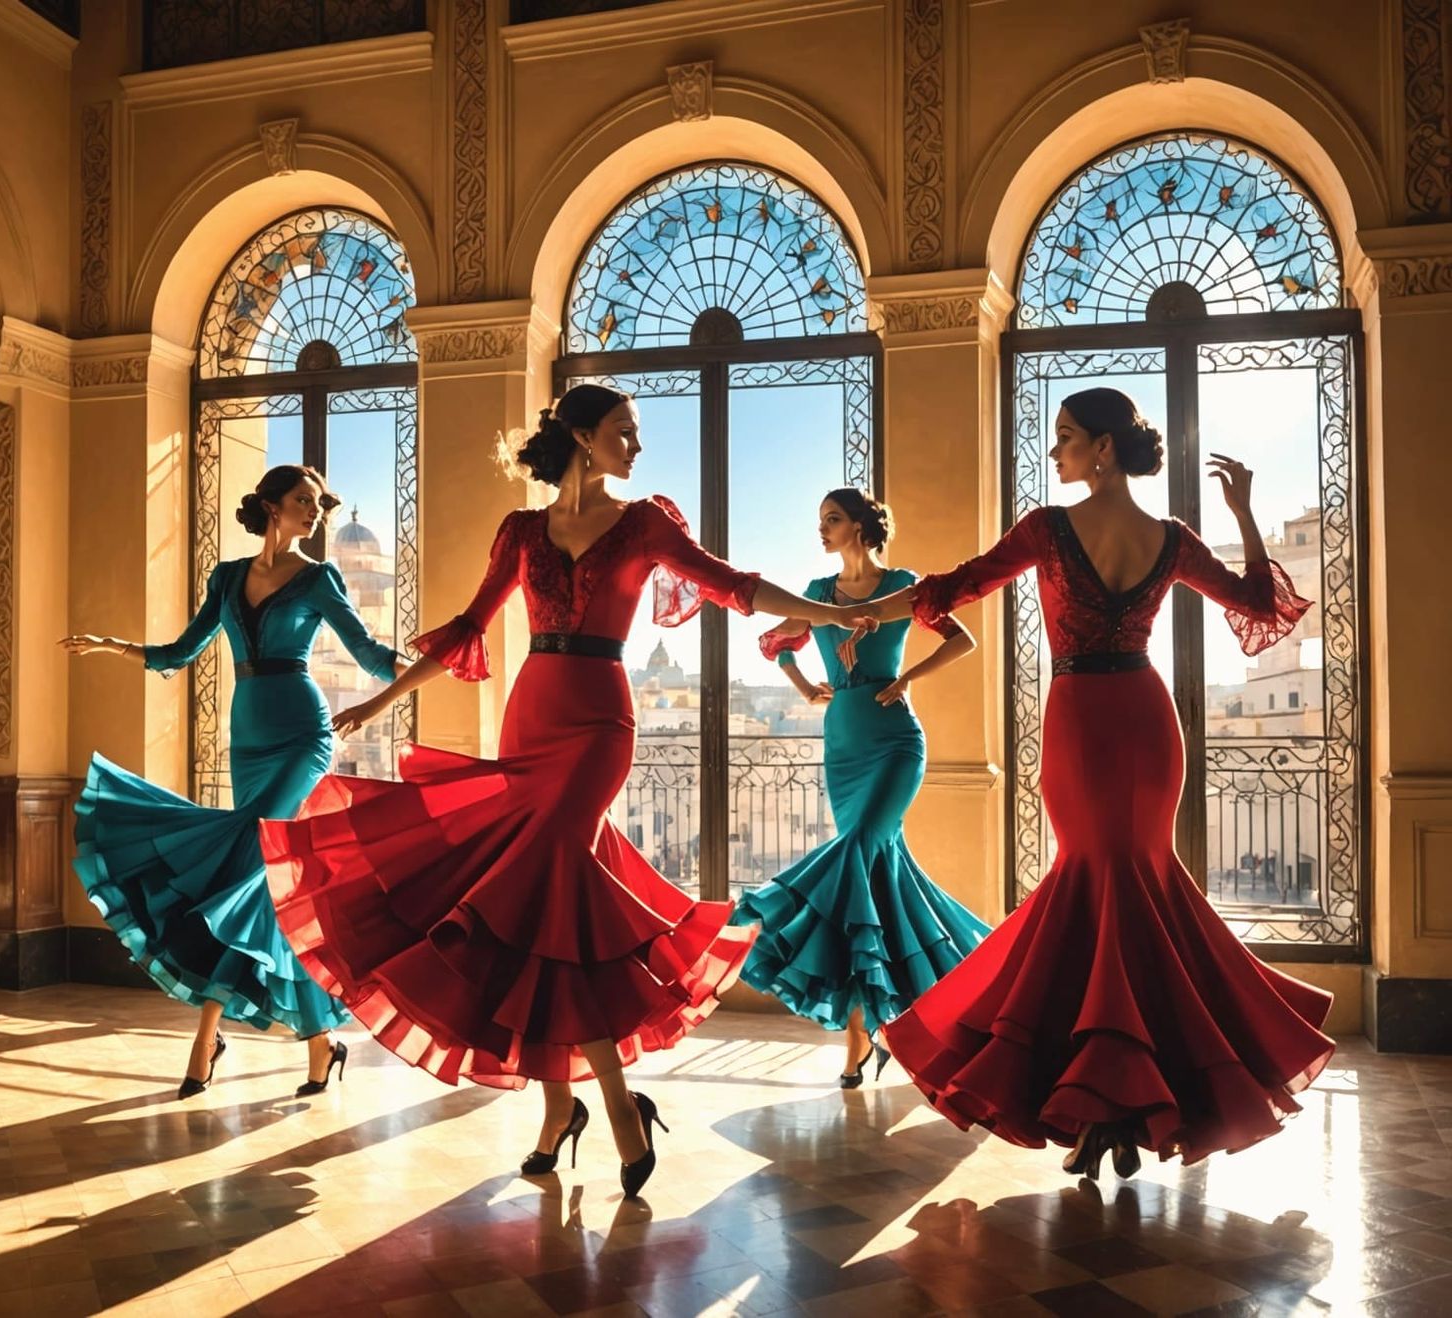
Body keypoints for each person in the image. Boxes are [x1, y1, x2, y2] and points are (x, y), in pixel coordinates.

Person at [259, 384, 870, 1197]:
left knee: (549, 887)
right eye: (625, 431)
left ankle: (612, 1107)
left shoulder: (646, 522)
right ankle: (563, 1110)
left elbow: (732, 586)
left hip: (598, 724)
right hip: (532, 715)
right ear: (583, 438)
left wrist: (830, 617)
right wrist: (381, 700)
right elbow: (470, 626)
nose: (637, 446)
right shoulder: (521, 530)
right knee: (541, 911)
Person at [842, 387, 1333, 1175]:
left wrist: (866, 613)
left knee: (1114, 885)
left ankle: (1108, 1108)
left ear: (1103, 447)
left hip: (1084, 714)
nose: (1056, 450)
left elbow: (956, 586)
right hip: (1142, 717)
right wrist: (1241, 514)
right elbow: (1256, 604)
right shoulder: (1168, 538)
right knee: (1116, 886)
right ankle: (1123, 1106)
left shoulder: (1050, 529)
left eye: (1066, 436)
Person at [61, 465, 399, 1099]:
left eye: (319, 504)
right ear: (272, 506)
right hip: (248, 742)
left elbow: (370, 655)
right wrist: (111, 644)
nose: (315, 512)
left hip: (302, 738)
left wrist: (426, 666)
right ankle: (321, 1042)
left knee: (246, 867)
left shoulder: (319, 578)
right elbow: (180, 652)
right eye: (303, 500)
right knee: (270, 888)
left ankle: (206, 1036)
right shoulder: (225, 577)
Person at [736, 488, 988, 1087]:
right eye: (820, 519)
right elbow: (772, 643)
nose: (822, 528)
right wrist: (803, 686)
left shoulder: (901, 585)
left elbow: (962, 639)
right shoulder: (818, 594)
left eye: (832, 519)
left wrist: (907, 678)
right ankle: (871, 1032)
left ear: (859, 526)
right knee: (872, 886)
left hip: (895, 740)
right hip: (843, 744)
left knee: (857, 853)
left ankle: (790, 920)